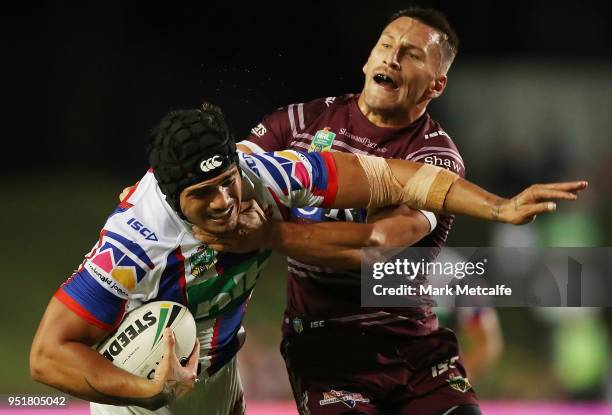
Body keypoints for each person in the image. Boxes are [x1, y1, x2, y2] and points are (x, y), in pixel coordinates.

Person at [30, 102, 584, 415]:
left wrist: (499, 206)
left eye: (229, 182)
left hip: (218, 374)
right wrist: (151, 390)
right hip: (134, 391)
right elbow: (47, 356)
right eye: (204, 197)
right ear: (174, 200)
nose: (226, 203)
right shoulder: (133, 244)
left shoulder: (266, 179)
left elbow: (397, 177)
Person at [197, 6, 548, 415]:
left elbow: (376, 246)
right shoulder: (298, 122)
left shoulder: (435, 156)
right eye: (385, 45)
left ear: (437, 85)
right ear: (368, 61)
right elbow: (226, 176)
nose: (392, 57)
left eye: (412, 54)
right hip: (326, 355)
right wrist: (163, 184)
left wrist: (269, 235)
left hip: (416, 354)